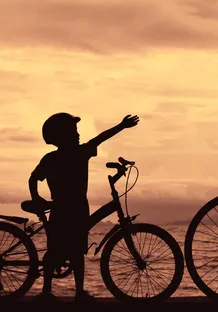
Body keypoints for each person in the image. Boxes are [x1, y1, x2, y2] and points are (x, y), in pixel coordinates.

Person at [28, 112, 139, 302]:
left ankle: (73, 292)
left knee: (74, 251)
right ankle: (49, 292)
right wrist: (121, 126)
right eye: (74, 130)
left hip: (71, 209)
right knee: (61, 251)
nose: (78, 134)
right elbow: (101, 138)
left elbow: (33, 179)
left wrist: (36, 196)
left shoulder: (61, 156)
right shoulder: (71, 154)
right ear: (62, 135)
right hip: (69, 209)